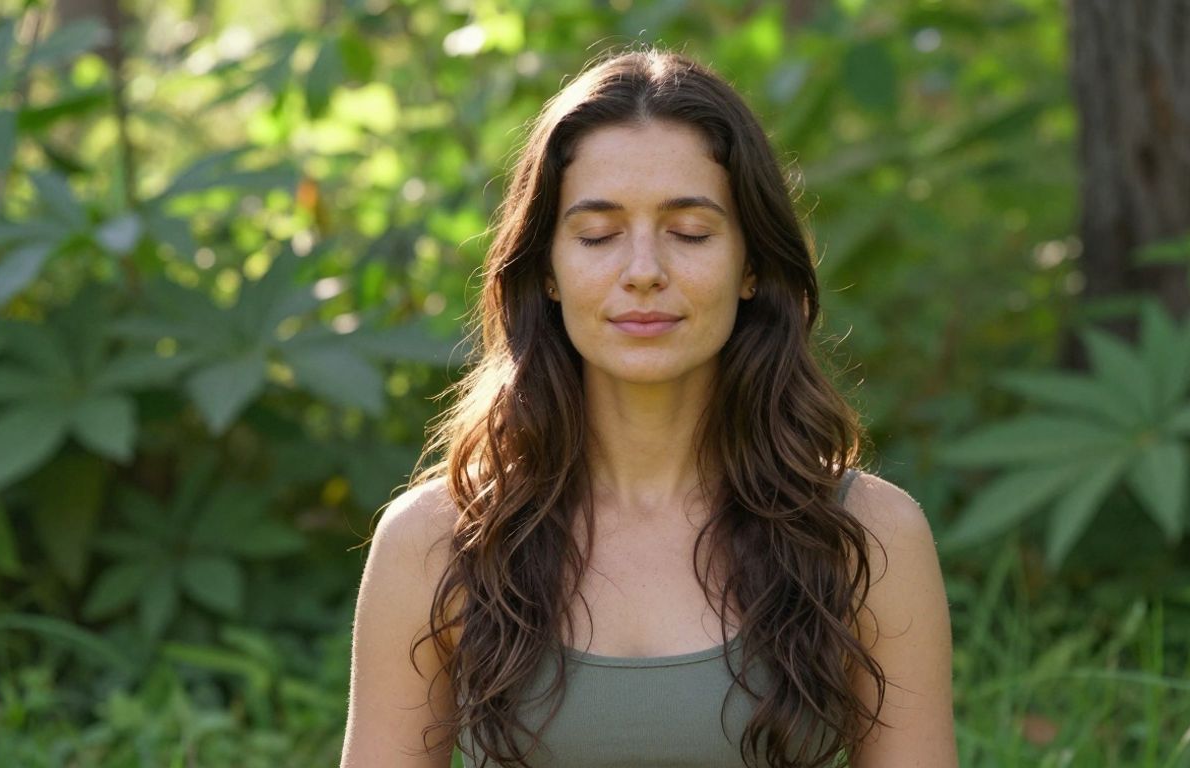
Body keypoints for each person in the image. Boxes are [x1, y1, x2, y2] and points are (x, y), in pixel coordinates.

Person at [341, 48, 956, 768]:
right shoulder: (434, 542)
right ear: (547, 270)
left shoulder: (868, 536)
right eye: (598, 235)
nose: (642, 273)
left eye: (689, 232)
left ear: (752, 263)